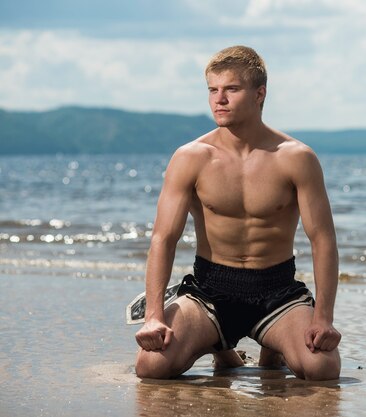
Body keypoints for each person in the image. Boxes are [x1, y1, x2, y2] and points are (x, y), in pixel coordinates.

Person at [133, 46, 341, 381]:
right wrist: (154, 316)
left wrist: (323, 318)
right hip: (209, 292)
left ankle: (272, 346)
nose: (219, 100)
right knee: (151, 366)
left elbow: (323, 240)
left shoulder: (296, 158)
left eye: (231, 89)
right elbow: (163, 237)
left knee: (322, 368)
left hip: (277, 291)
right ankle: (220, 344)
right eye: (213, 90)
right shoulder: (191, 157)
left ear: (260, 94)